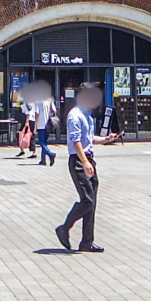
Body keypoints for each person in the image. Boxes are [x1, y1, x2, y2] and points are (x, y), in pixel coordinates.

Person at [54, 84, 119, 253]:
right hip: (79, 160)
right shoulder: (75, 115)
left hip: (89, 159)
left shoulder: (87, 116)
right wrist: (84, 161)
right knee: (87, 200)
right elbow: (75, 141)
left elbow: (88, 139)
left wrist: (105, 139)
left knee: (92, 202)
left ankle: (87, 241)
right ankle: (64, 227)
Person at [33, 96, 56, 167]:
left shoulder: (37, 101)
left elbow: (37, 114)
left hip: (41, 125)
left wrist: (35, 126)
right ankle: (43, 160)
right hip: (48, 124)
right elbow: (54, 111)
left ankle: (50, 154)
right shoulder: (49, 99)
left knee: (41, 142)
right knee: (45, 142)